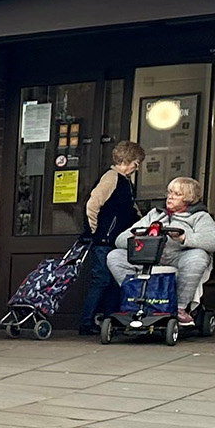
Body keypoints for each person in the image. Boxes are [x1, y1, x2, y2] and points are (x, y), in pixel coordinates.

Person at [106, 175, 215, 322]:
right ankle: (136, 299)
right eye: (170, 192)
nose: (170, 197)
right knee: (115, 256)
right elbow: (120, 240)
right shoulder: (155, 214)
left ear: (189, 198)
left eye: (177, 194)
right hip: (149, 258)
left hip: (179, 257)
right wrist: (141, 236)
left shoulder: (199, 217)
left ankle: (180, 307)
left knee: (198, 256)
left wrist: (184, 238)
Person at [77, 141, 143, 335]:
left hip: (115, 241)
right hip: (105, 241)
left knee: (112, 281)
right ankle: (86, 322)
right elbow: (93, 203)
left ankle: (109, 319)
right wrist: (93, 231)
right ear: (126, 160)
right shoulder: (112, 177)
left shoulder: (125, 182)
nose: (136, 168)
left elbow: (130, 209)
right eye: (136, 163)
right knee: (102, 280)